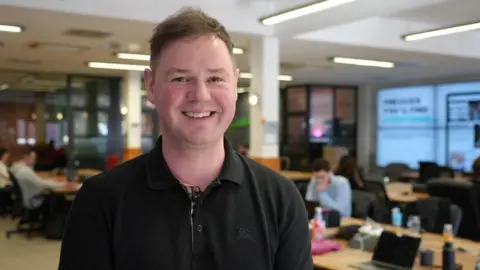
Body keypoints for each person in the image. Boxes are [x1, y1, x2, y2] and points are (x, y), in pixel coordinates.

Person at [59, 8, 312, 270]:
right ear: (152, 86)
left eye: (215, 78)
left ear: (235, 85)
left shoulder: (281, 198)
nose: (200, 95)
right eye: (180, 78)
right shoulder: (100, 200)